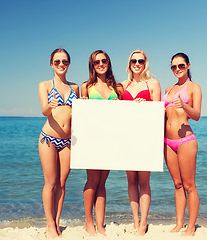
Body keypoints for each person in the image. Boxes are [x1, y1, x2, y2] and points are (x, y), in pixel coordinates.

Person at [81, 50, 123, 236]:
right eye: (96, 61)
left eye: (104, 60)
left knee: (103, 182)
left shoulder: (118, 88)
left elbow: (125, 114)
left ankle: (100, 224)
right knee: (92, 180)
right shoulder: (86, 87)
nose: (100, 64)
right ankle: (88, 222)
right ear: (92, 65)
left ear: (109, 63)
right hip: (92, 139)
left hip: (110, 139)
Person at [38, 48, 79, 239]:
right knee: (51, 183)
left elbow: (78, 113)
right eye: (57, 62)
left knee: (62, 184)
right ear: (51, 64)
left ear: (69, 64)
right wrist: (49, 105)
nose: (61, 64)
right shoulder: (45, 85)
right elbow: (44, 112)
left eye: (64, 61)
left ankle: (56, 221)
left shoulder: (75, 87)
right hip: (48, 138)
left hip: (68, 141)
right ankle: (49, 225)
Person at [121, 50, 161, 235]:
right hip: (128, 138)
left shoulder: (152, 83)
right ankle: (135, 220)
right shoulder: (123, 85)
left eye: (140, 60)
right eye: (133, 60)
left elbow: (158, 111)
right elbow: (115, 112)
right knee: (131, 181)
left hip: (146, 137)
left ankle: (144, 222)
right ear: (129, 64)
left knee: (144, 181)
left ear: (145, 63)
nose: (137, 63)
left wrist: (144, 106)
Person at [163, 52, 202, 236]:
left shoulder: (194, 87)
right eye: (174, 66)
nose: (177, 69)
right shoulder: (168, 89)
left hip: (185, 140)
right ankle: (179, 223)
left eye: (181, 65)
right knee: (177, 184)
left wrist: (184, 106)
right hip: (167, 141)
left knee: (189, 186)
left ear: (188, 65)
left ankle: (191, 226)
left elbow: (196, 116)